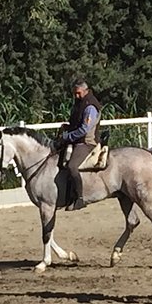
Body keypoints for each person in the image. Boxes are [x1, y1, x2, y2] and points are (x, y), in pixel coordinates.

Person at [54, 79, 102, 211]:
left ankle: (79, 198)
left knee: (72, 166)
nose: (76, 96)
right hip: (77, 140)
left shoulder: (90, 107)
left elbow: (84, 129)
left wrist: (67, 137)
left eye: (78, 93)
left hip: (87, 142)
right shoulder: (80, 103)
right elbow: (76, 124)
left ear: (85, 91)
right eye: (75, 93)